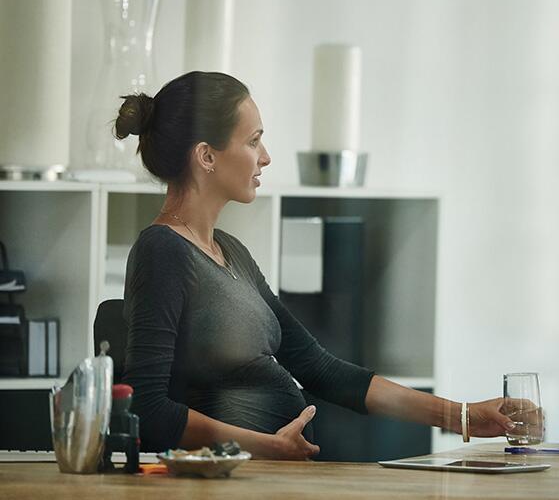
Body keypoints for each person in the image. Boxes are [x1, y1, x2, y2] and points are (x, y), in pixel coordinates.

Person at [116, 71, 522, 459]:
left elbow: (319, 368)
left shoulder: (230, 251)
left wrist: (464, 416)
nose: (266, 157)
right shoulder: (162, 251)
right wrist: (263, 446)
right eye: (254, 141)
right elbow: (148, 408)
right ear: (206, 155)